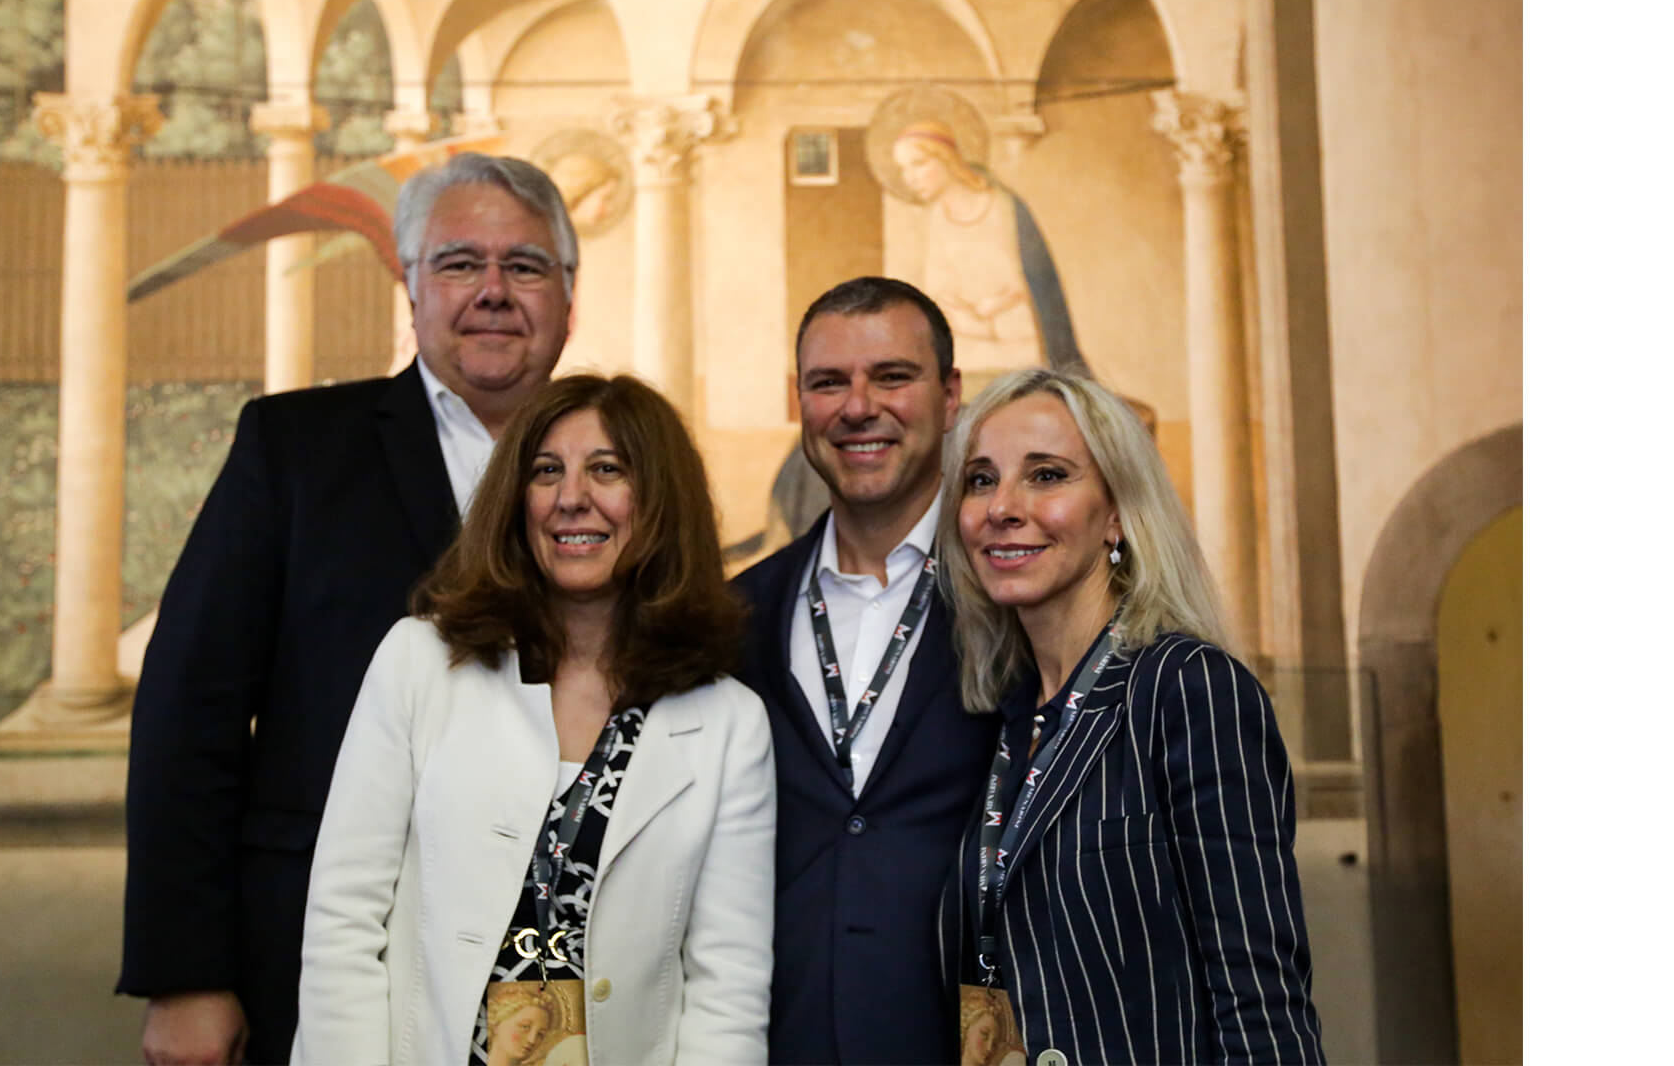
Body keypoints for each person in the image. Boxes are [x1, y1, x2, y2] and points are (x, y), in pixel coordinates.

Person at [117, 152, 580, 1066]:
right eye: (457, 263)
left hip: (556, 957)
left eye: (524, 266)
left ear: (569, 295)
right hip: (325, 951)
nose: (492, 290)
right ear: (409, 288)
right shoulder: (293, 450)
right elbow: (190, 708)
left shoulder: (622, 472)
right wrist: (185, 974)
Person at [294, 374, 775, 1065]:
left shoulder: (730, 724)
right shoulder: (419, 664)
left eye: (607, 469)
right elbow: (343, 922)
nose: (570, 498)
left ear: (662, 501)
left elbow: (727, 988)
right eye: (546, 471)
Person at [935, 368, 1326, 1064]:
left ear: (1117, 512)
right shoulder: (1003, 716)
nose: (1002, 506)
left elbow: (1259, 993)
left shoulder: (1188, 687)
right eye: (981, 479)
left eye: (1047, 475)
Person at [732, 276, 1000, 1064]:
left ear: (950, 396)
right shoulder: (730, 620)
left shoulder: (1019, 599)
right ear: (798, 402)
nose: (858, 407)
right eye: (828, 383)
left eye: (892, 377)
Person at [889, 120, 1081, 377]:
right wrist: (967, 315)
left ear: (947, 160)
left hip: (1017, 341)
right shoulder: (937, 218)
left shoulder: (1001, 206)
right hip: (968, 342)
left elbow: (1032, 280)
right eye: (903, 169)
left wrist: (992, 306)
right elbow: (940, 290)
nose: (909, 178)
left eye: (919, 164)